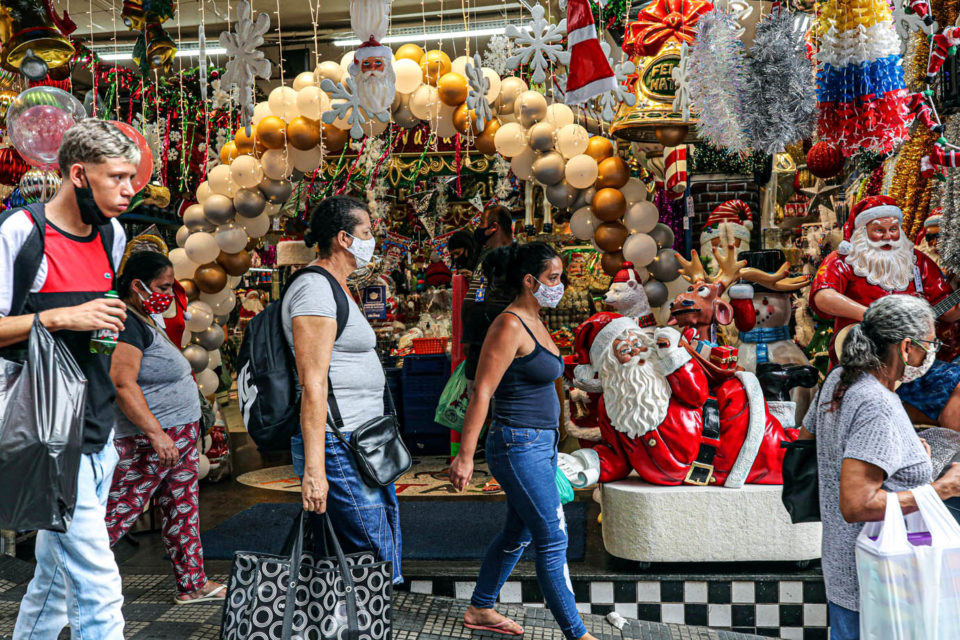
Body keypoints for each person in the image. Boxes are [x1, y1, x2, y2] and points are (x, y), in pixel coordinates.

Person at [0, 119, 136, 639]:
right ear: (78, 173)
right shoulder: (21, 232)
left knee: (56, 582)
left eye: (131, 179)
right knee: (100, 590)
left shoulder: (112, 233)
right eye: (117, 178)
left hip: (99, 428)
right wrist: (61, 317)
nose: (128, 191)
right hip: (46, 435)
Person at [449, 243, 596, 640]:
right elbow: (482, 392)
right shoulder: (509, 324)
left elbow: (547, 376)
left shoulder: (536, 320)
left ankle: (481, 606)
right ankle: (577, 634)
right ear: (530, 281)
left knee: (519, 532)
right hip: (517, 445)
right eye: (552, 278)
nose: (559, 285)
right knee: (552, 537)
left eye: (560, 278)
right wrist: (464, 457)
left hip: (540, 446)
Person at [800, 295, 960, 639]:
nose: (930, 353)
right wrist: (943, 488)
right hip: (879, 577)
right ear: (905, 347)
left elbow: (810, 436)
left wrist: (901, 447)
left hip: (846, 565)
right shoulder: (876, 404)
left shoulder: (841, 377)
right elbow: (857, 504)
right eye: (929, 343)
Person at [284, 195, 402, 584]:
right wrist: (315, 472)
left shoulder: (338, 285)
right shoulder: (315, 289)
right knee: (373, 549)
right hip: (339, 441)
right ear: (344, 239)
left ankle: (358, 622)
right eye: (366, 232)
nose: (373, 240)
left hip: (362, 437)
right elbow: (313, 383)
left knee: (370, 545)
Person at [104, 251, 224, 604]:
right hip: (151, 437)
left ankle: (192, 584)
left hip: (177, 435)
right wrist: (156, 434)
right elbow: (122, 383)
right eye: (163, 286)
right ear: (138, 285)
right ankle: (61, 581)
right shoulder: (125, 322)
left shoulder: (144, 317)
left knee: (182, 508)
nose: (170, 294)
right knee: (118, 512)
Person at [810, 195, 960, 428]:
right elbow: (823, 296)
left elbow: (947, 309)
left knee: (955, 385)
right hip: (864, 362)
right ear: (862, 230)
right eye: (879, 230)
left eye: (893, 229)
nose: (888, 236)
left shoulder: (916, 262)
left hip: (912, 364)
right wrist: (872, 315)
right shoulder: (844, 261)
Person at [460, 204, 515, 386]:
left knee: (491, 405)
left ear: (494, 227)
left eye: (482, 223)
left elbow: (499, 303)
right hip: (479, 347)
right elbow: (480, 295)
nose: (478, 228)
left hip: (495, 347)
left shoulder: (511, 257)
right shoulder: (486, 255)